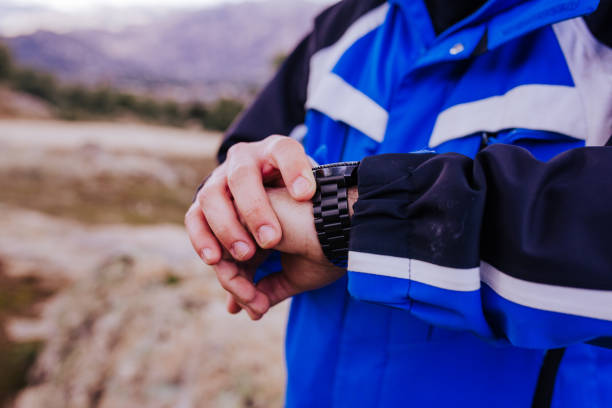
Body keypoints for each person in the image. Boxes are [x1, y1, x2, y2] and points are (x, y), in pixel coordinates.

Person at [185, 0, 612, 406]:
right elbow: (248, 155)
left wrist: (346, 216)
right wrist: (236, 199)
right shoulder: (341, 27)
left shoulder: (598, 34)